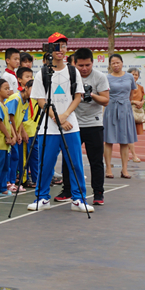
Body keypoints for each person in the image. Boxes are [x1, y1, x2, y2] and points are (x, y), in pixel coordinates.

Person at [28, 33, 93, 213]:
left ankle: (78, 199)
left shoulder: (73, 72)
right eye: (56, 46)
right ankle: (42, 198)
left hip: (70, 125)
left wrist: (65, 115)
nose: (60, 50)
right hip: (48, 126)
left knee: (75, 163)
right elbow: (40, 99)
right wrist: (57, 117)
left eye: (63, 46)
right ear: (49, 49)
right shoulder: (42, 73)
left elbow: (78, 96)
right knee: (45, 164)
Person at [58, 48, 109, 206]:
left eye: (88, 65)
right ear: (74, 63)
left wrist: (92, 94)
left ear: (93, 63)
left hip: (93, 123)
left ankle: (98, 193)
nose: (84, 68)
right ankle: (67, 189)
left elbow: (106, 100)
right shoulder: (68, 76)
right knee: (68, 159)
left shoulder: (99, 77)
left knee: (96, 160)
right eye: (81, 65)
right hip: (72, 124)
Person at [103, 54, 138, 179]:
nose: (116, 65)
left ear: (122, 63)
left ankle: (124, 169)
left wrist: (127, 105)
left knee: (125, 140)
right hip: (111, 108)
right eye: (113, 63)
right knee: (109, 140)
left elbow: (132, 94)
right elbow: (104, 94)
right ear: (110, 65)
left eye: (118, 62)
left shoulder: (129, 77)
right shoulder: (106, 78)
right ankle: (108, 168)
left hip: (125, 109)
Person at [129, 68, 145, 162]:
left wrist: (141, 103)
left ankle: (125, 153)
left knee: (131, 134)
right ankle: (134, 155)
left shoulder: (140, 87)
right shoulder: (126, 87)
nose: (134, 76)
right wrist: (134, 101)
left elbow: (143, 98)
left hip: (137, 113)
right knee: (129, 135)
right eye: (132, 74)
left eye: (136, 74)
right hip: (128, 112)